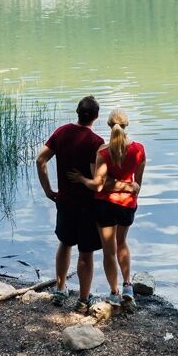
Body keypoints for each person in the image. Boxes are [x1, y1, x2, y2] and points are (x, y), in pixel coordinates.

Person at [69, 109, 145, 311]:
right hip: (127, 205)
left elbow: (98, 185)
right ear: (126, 125)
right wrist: (129, 189)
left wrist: (81, 179)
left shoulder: (103, 152)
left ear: (109, 126)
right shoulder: (139, 149)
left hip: (105, 205)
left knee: (109, 251)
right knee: (122, 243)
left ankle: (114, 292)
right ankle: (128, 286)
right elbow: (137, 185)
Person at [36, 95, 104, 313]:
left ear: (77, 112)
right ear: (96, 117)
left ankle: (60, 288)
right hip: (87, 206)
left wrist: (48, 190)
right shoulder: (96, 142)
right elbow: (97, 183)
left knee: (65, 243)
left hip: (64, 201)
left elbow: (40, 160)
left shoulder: (61, 132)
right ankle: (83, 299)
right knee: (86, 252)